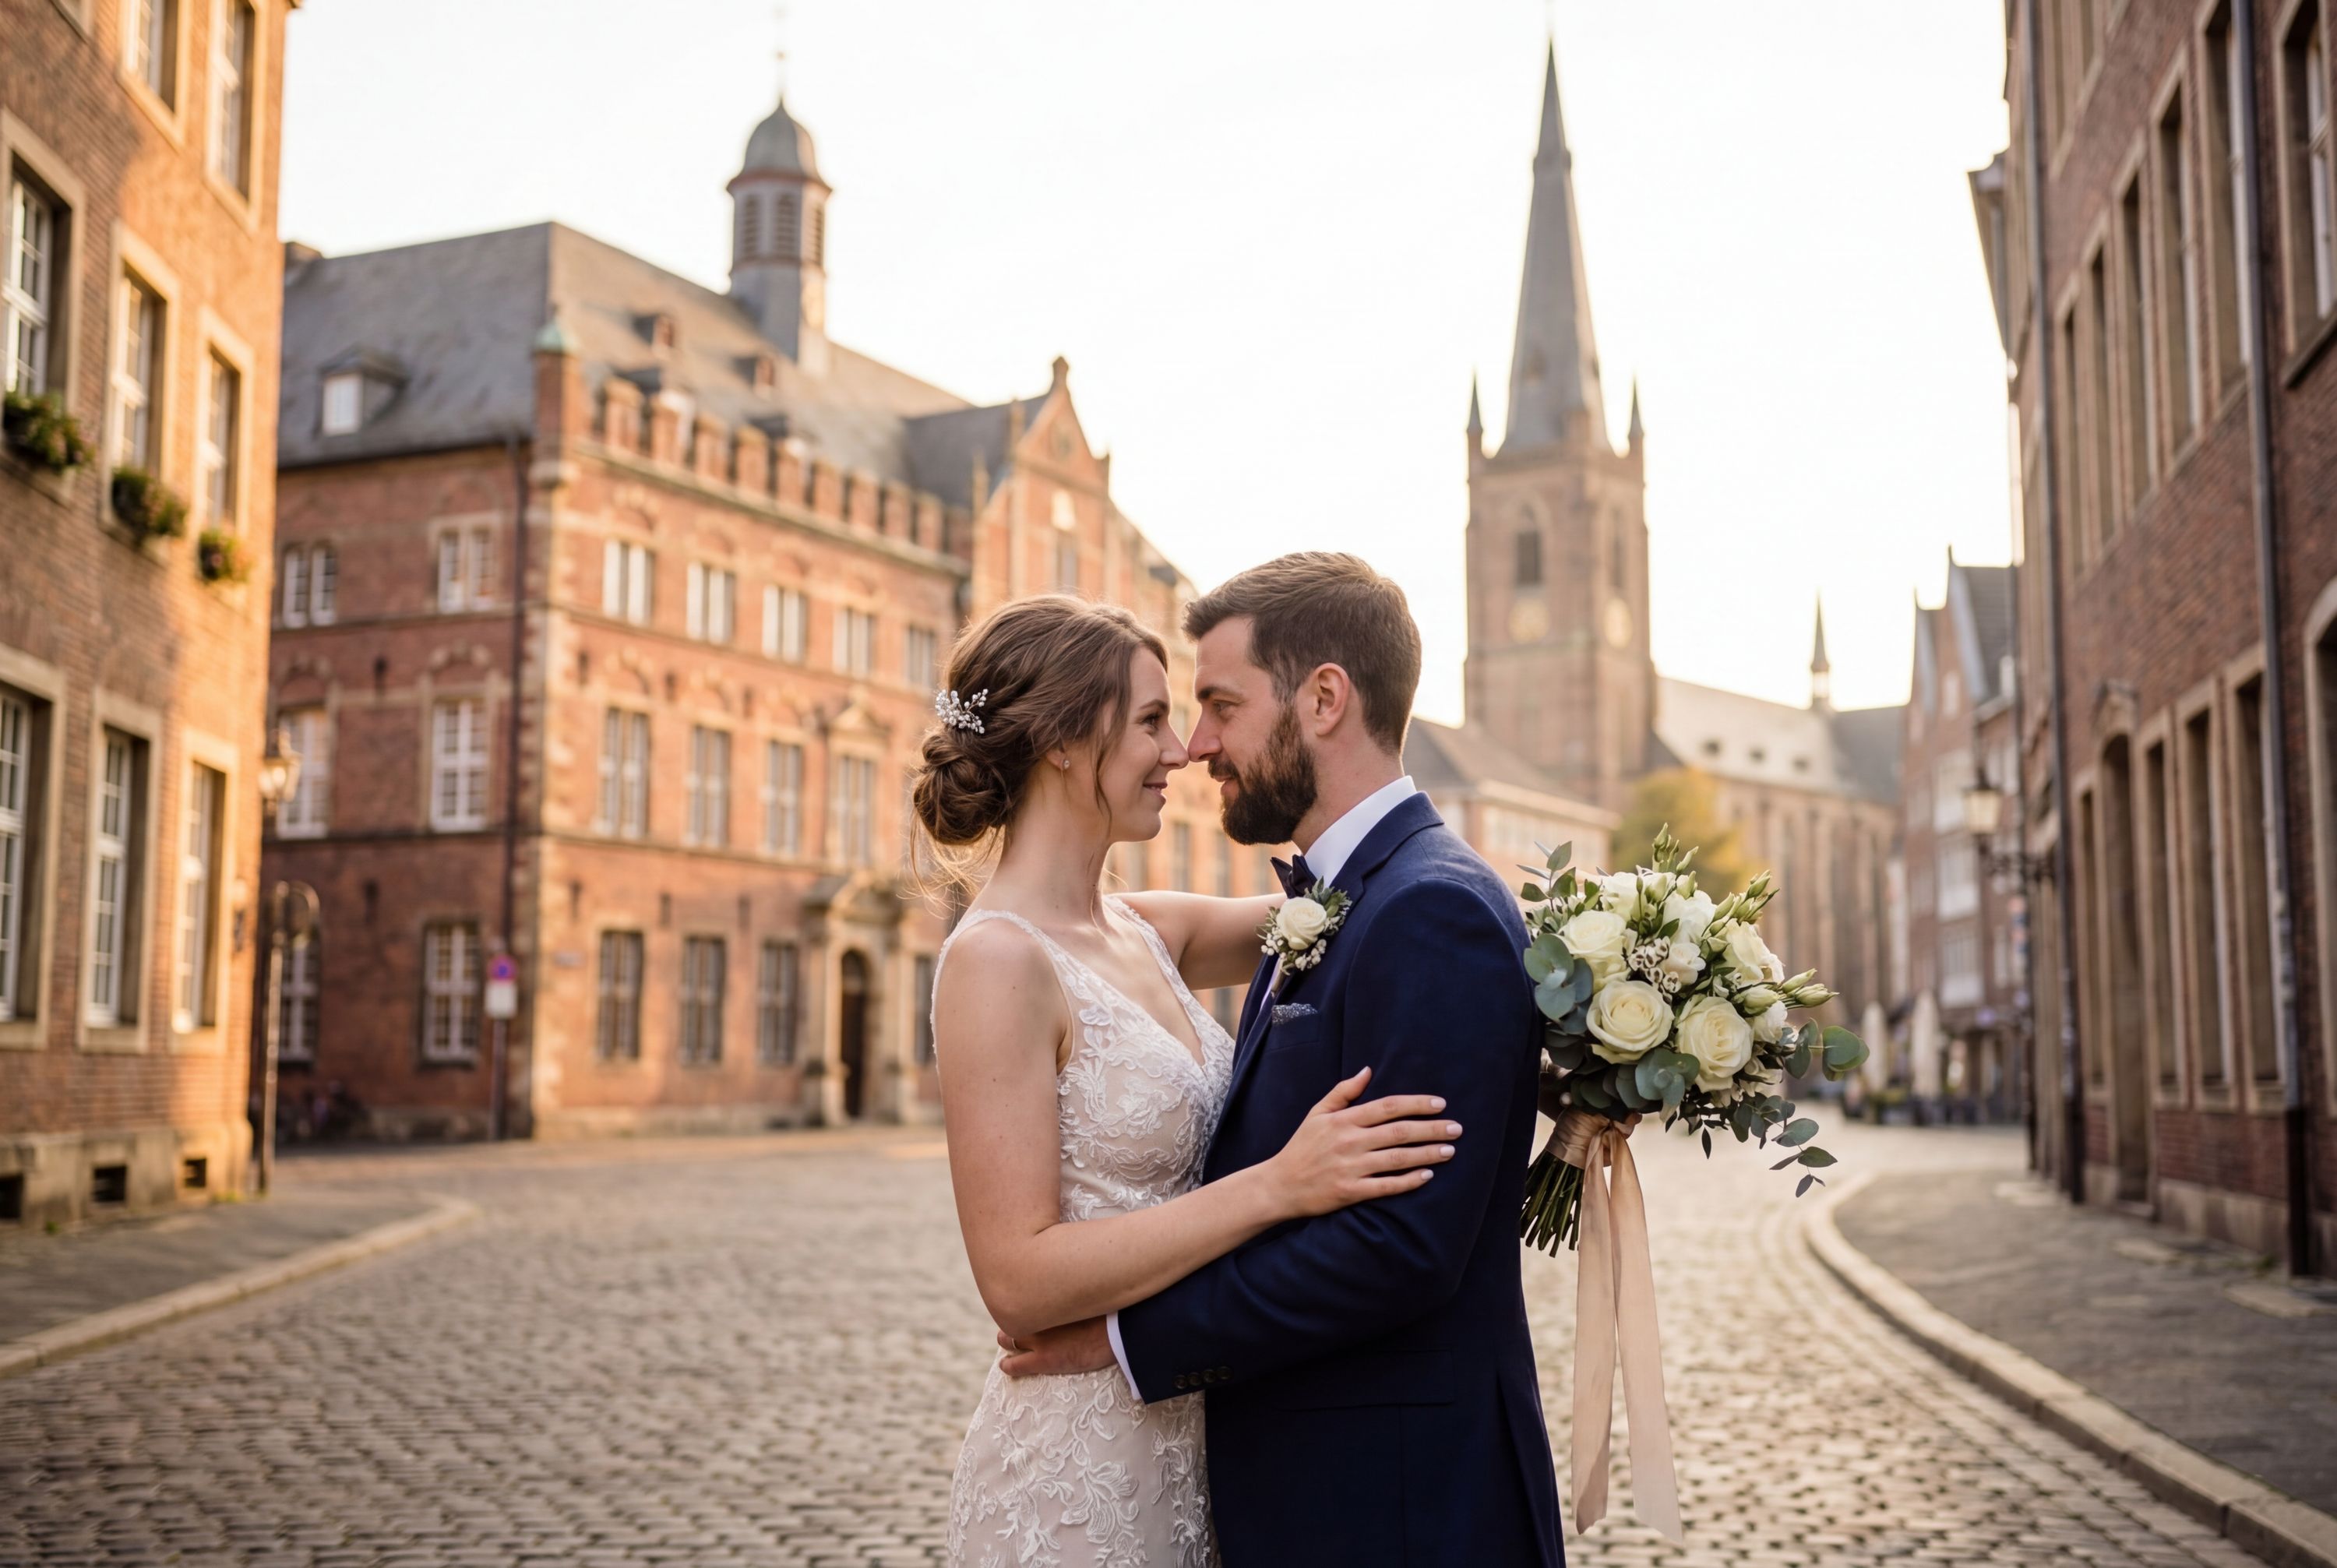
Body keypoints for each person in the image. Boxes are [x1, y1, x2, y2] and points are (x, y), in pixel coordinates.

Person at [993, 553, 1563, 1566]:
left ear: (1325, 699)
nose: (1197, 743)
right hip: (1313, 1495)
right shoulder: (1346, 898)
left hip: (1398, 1509)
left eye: (1219, 703)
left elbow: (1399, 1248)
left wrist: (1126, 1343)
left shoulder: (1428, 907)